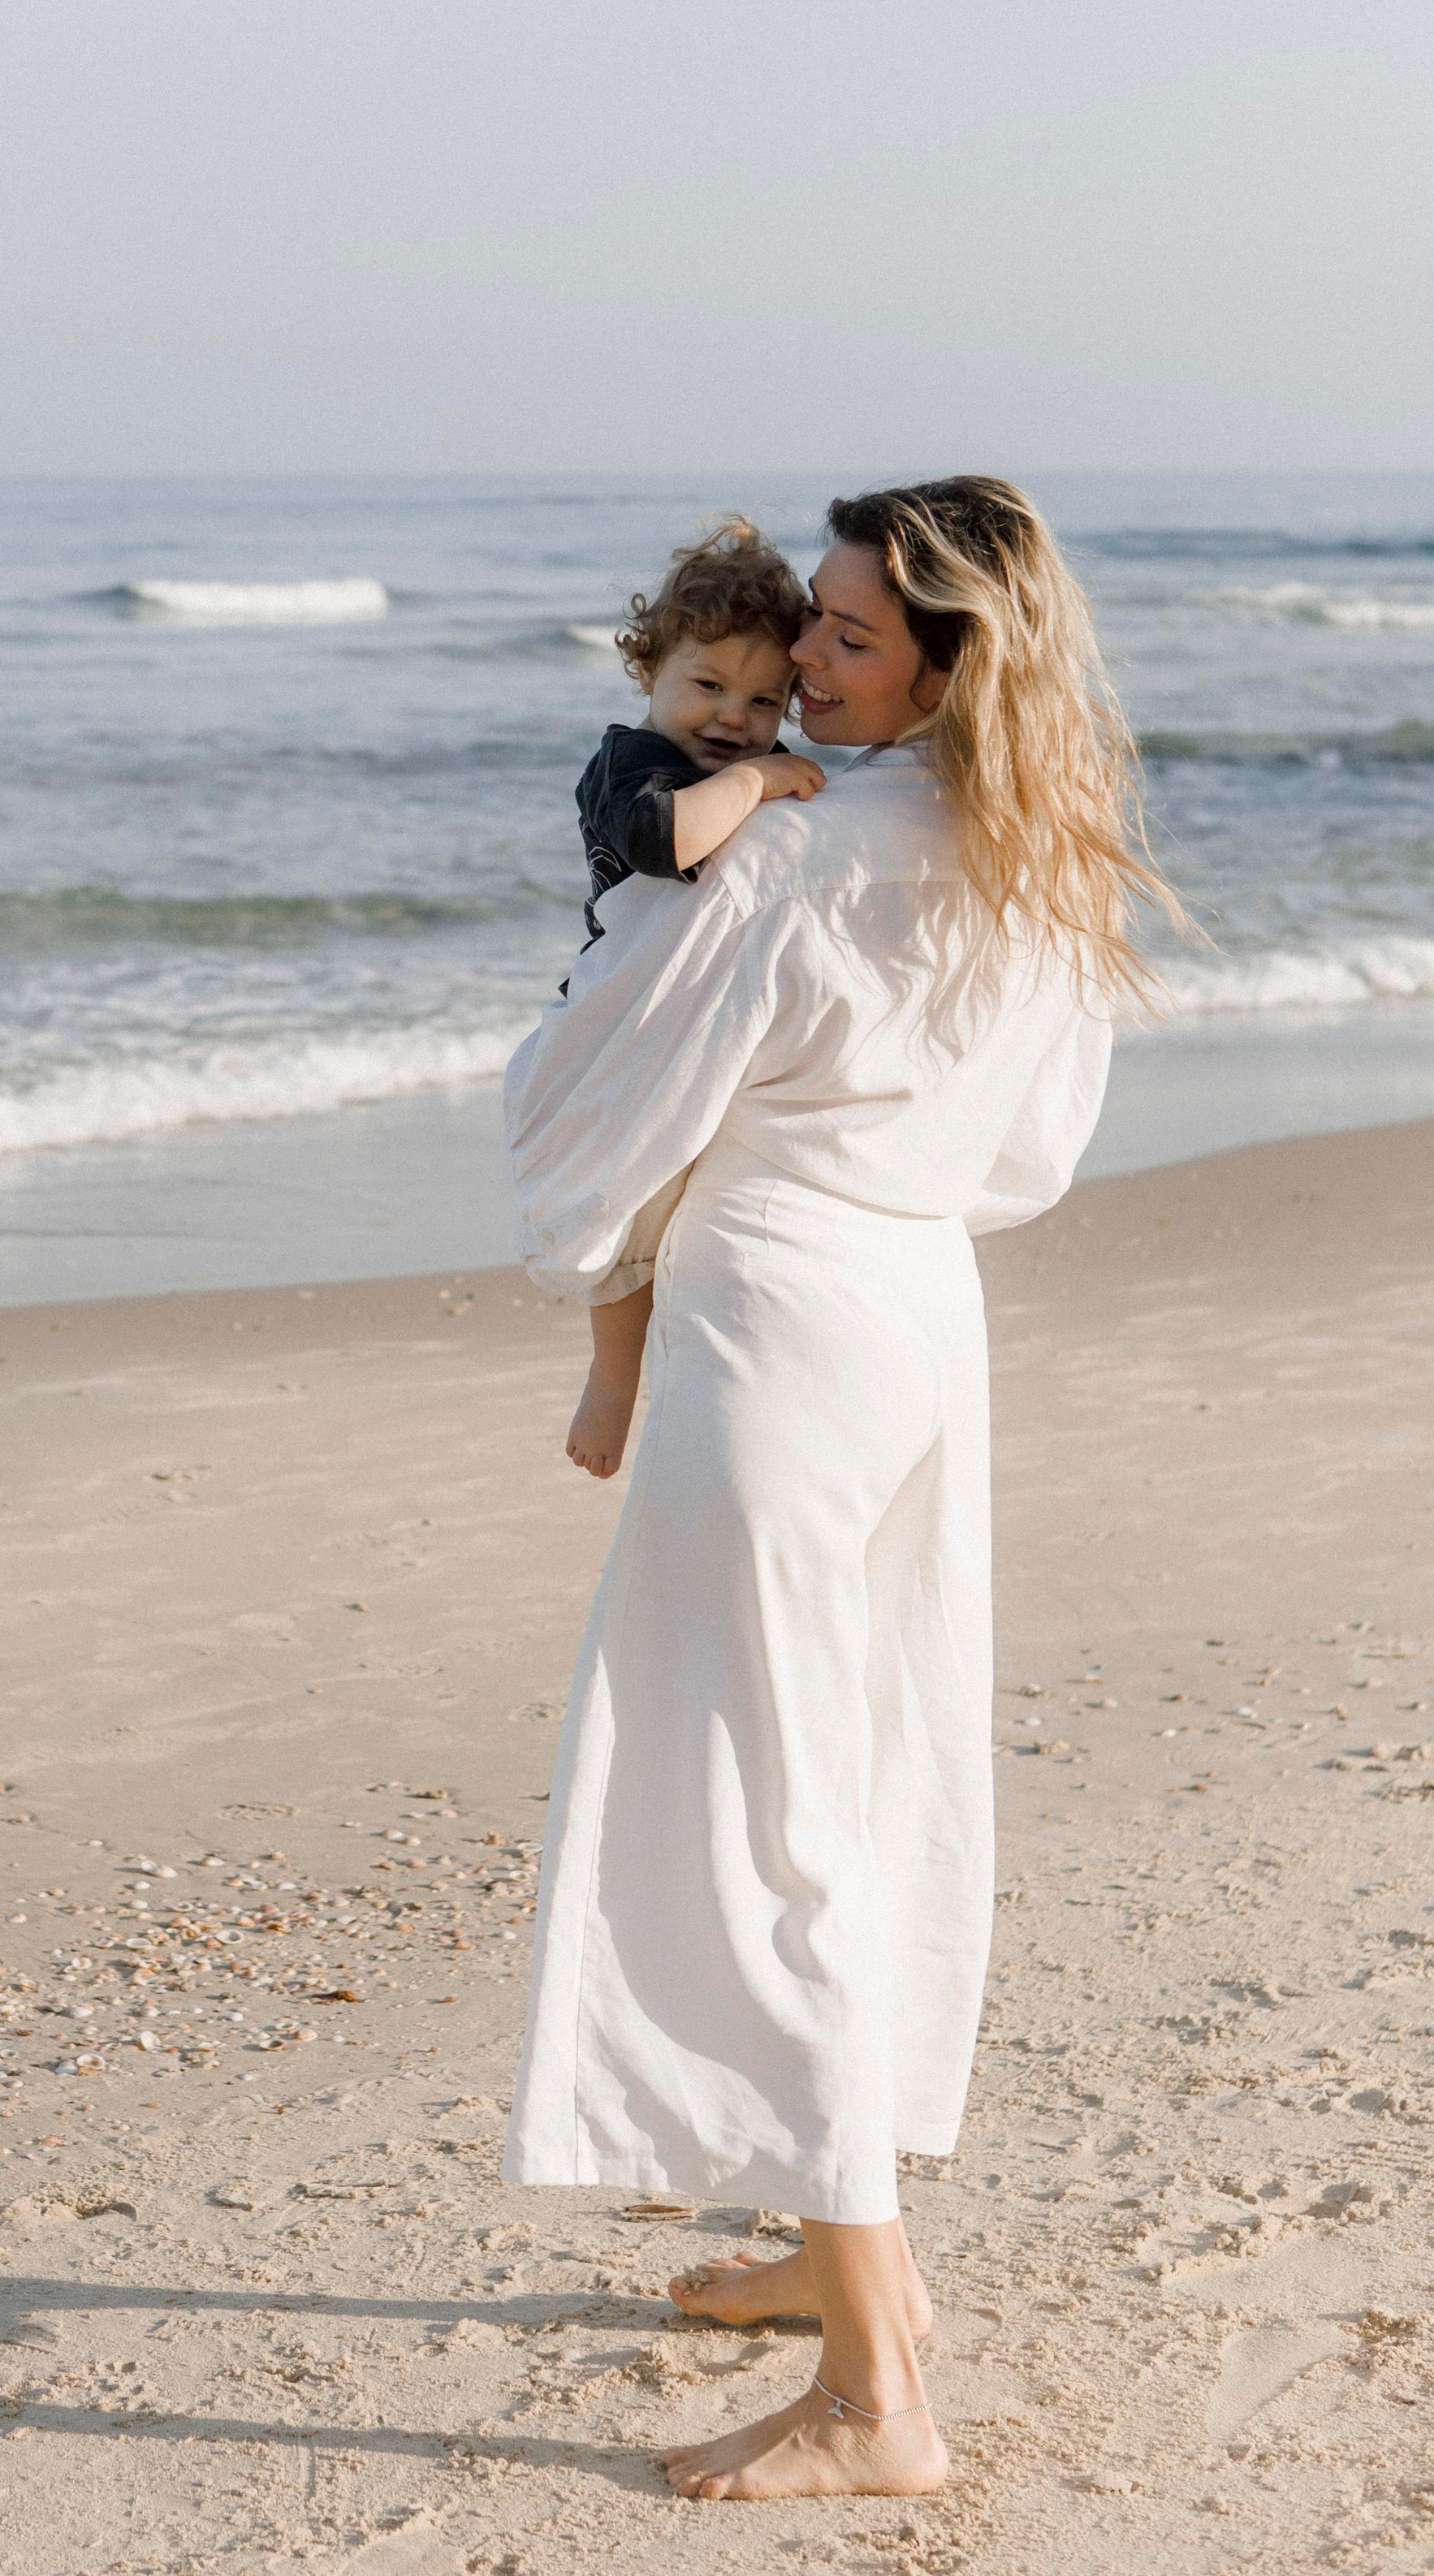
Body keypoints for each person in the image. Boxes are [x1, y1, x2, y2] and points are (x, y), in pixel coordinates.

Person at [501, 477, 1183, 2504]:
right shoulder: (1036, 856)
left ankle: (878, 2389)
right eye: (807, 617)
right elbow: (1023, 1159)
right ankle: (827, 2254)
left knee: (761, 1812)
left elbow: (573, 1127)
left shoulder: (780, 863)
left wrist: (617, 1244)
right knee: (858, 1777)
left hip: (774, 1334)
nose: (801, 659)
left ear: (951, 664)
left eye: (852, 638)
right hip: (914, 1317)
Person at [566, 521, 824, 1483]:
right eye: (707, 686)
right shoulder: (629, 763)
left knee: (684, 1202)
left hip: (695, 1017)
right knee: (619, 1204)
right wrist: (759, 777)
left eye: (764, 702)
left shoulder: (739, 765)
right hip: (614, 1018)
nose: (731, 716)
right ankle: (610, 1376)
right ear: (648, 672)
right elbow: (663, 842)